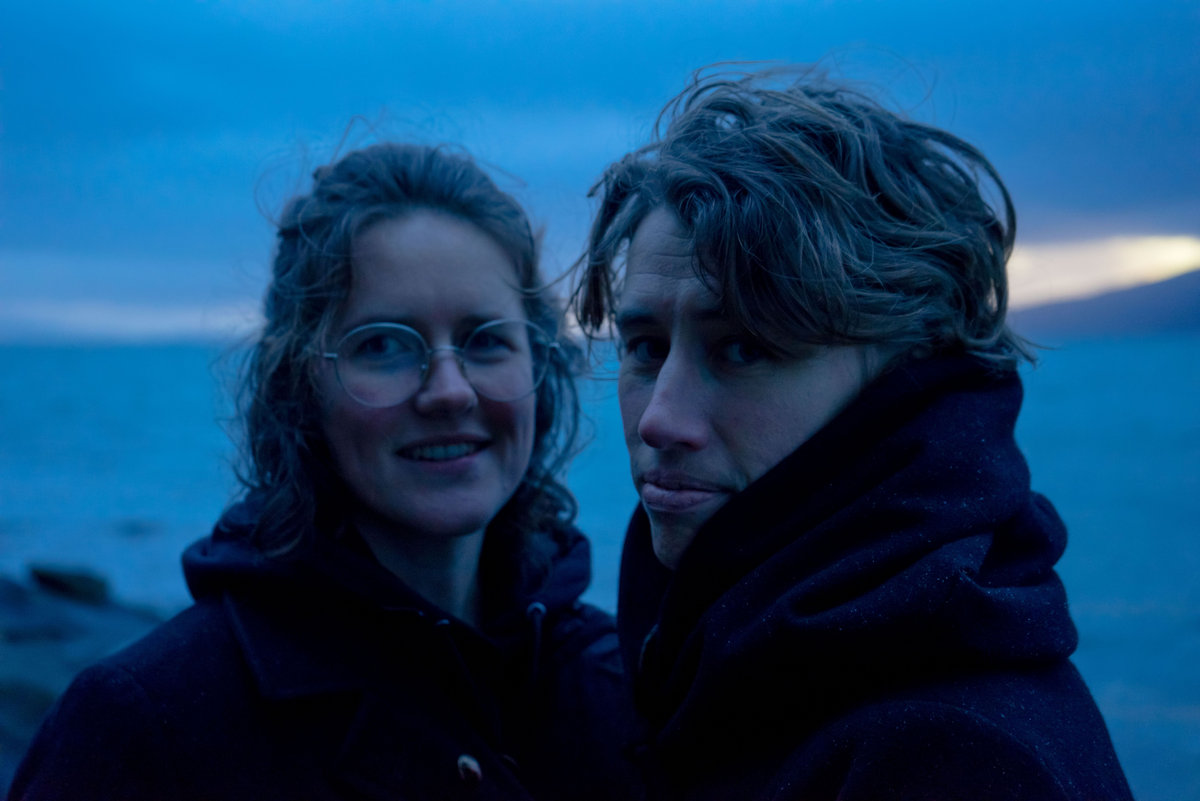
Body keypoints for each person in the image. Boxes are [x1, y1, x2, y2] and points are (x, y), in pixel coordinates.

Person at [11, 143, 637, 800]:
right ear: (300, 387)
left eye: (486, 340)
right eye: (384, 344)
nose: (450, 391)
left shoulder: (622, 696)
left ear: (540, 362)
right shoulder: (144, 730)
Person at [574, 66, 1134, 801]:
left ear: (904, 372)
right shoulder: (722, 670)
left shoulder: (944, 759)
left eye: (743, 348)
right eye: (646, 347)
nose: (658, 418)